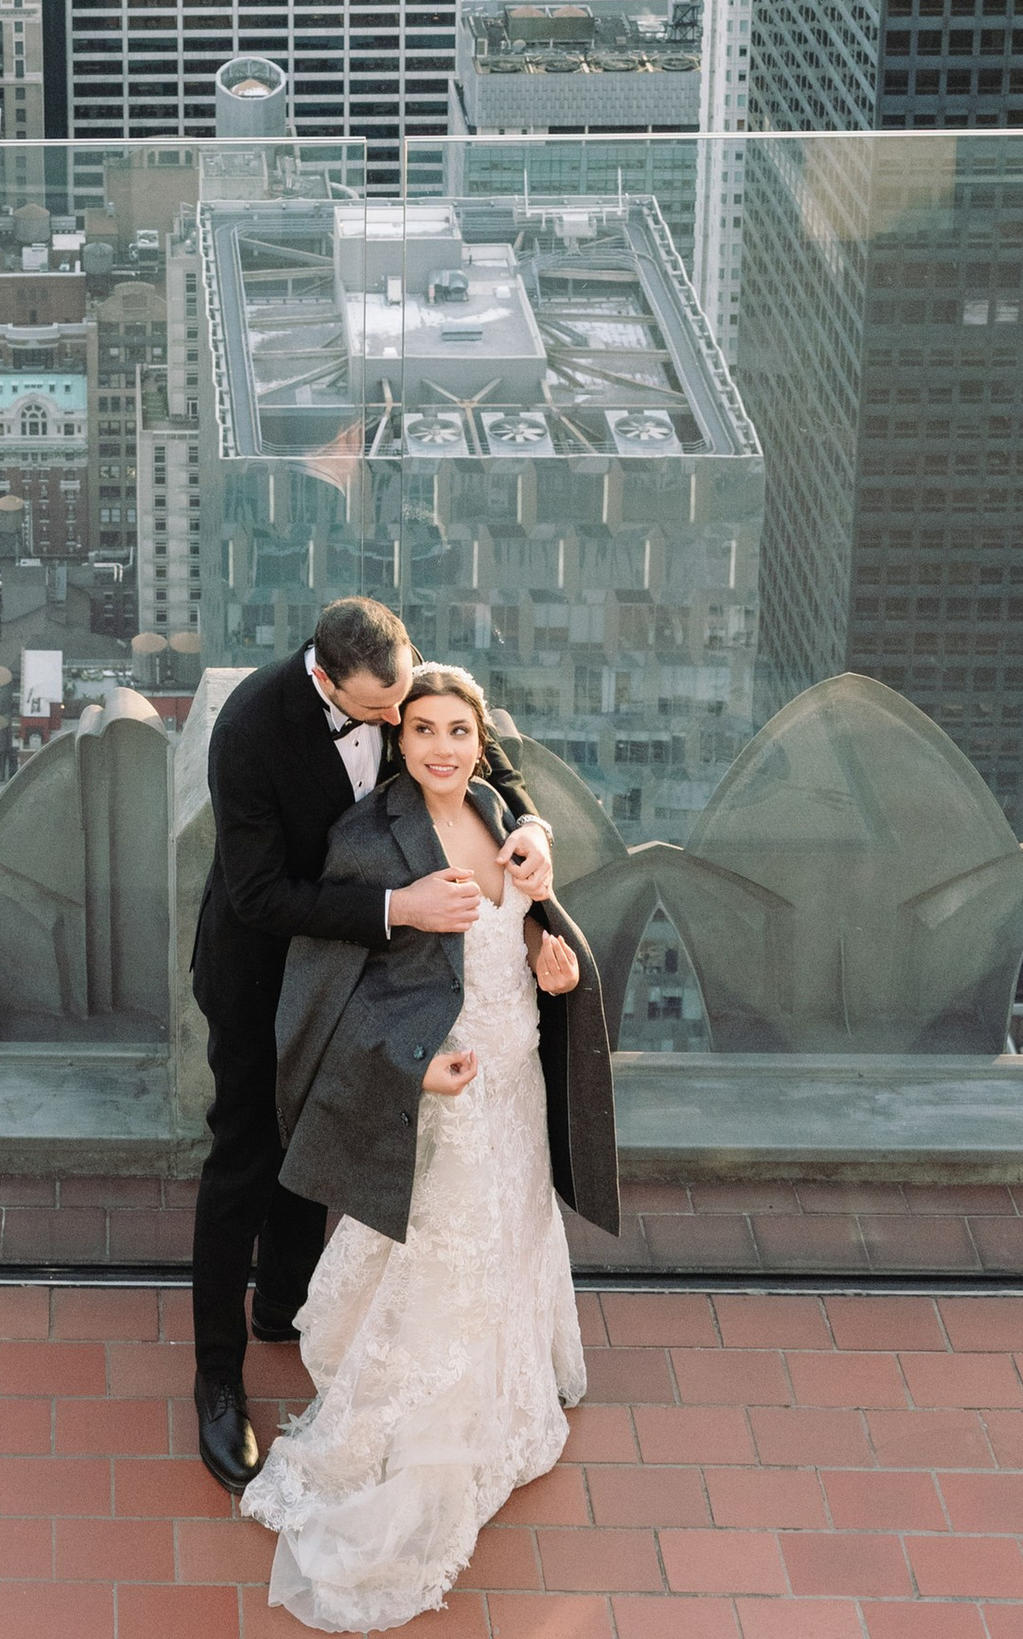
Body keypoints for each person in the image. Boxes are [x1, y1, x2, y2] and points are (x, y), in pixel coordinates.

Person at [241, 661, 619, 1630]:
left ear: (479, 737)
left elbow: (523, 926)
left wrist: (550, 951)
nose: (443, 748)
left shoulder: (500, 811)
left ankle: (512, 1376)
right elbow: (332, 992)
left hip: (518, 1070)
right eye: (423, 732)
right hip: (447, 1086)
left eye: (459, 730)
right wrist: (413, 1071)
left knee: (513, 1226)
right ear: (398, 741)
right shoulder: (373, 838)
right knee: (443, 1249)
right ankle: (426, 1420)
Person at [188, 599, 555, 1493]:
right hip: (266, 967)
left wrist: (530, 824)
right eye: (385, 714)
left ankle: (285, 1302)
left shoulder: (394, 681)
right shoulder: (248, 732)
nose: (402, 725)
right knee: (246, 1153)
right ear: (325, 676)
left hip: (363, 964)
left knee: (326, 1127)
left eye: (406, 703)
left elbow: (477, 746)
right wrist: (401, 909)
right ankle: (217, 1378)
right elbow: (259, 894)